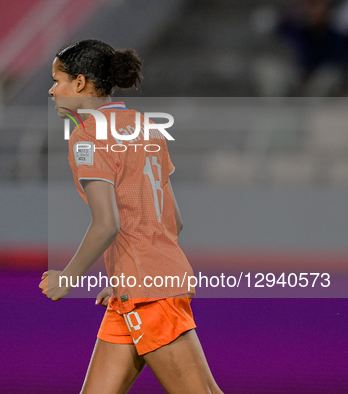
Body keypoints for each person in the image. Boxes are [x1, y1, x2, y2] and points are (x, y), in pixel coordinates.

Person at [39, 39, 223, 394]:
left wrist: (68, 279)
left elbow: (107, 223)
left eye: (56, 80)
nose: (51, 90)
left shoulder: (87, 136)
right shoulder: (145, 126)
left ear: (79, 83)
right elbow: (175, 219)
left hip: (148, 292)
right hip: (138, 286)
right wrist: (125, 272)